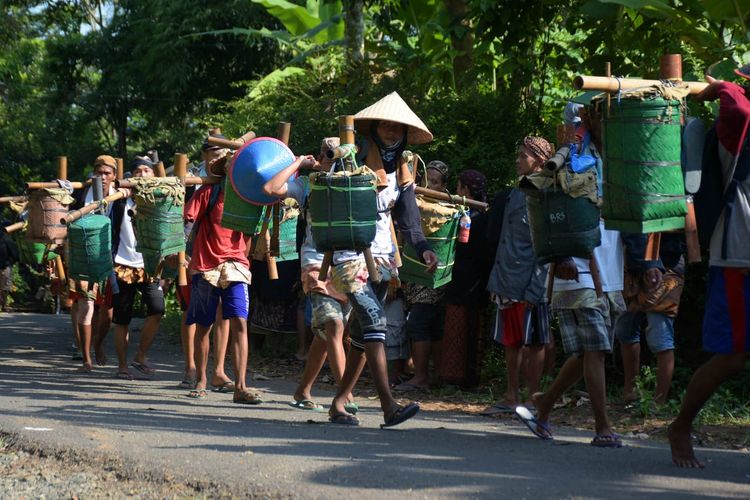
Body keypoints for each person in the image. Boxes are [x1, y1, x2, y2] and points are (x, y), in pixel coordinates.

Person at [327, 92, 438, 426]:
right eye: (386, 127)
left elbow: (409, 221)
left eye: (397, 129)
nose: (391, 133)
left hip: (383, 259)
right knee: (376, 324)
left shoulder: (403, 170)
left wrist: (423, 249)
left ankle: (339, 402)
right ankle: (389, 405)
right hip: (348, 256)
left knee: (362, 338)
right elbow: (328, 203)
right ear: (374, 128)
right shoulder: (351, 159)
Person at [515, 127, 626, 448]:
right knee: (594, 351)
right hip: (576, 270)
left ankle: (544, 406)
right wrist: (560, 254)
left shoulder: (615, 159)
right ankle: (603, 427)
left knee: (586, 352)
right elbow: (550, 209)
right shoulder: (568, 159)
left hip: (611, 268)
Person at [669, 71, 750, 468]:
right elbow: (735, 106)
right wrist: (724, 88)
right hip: (739, 258)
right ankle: (681, 425)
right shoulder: (734, 130)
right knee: (732, 358)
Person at [263, 137, 359, 412]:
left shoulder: (355, 181)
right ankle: (345, 396)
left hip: (348, 263)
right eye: (325, 153)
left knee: (328, 332)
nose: (330, 157)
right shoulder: (307, 185)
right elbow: (271, 187)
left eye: (335, 152)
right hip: (316, 262)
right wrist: (298, 163)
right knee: (334, 326)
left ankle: (302, 390)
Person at [183, 148, 256, 403]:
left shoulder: (249, 197)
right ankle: (202, 380)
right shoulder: (209, 192)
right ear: (225, 168)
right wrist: (181, 253)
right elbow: (188, 220)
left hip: (236, 265)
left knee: (240, 323)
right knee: (204, 325)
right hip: (206, 266)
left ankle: (241, 386)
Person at [484, 138, 551, 413]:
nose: (518, 160)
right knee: (510, 341)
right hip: (507, 280)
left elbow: (544, 244)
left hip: (530, 280)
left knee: (534, 342)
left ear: (540, 161)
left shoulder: (545, 194)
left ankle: (533, 398)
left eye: (524, 156)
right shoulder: (514, 193)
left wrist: (538, 285)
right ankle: (511, 395)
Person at [177, 131, 233, 391]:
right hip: (195, 256)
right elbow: (183, 220)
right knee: (196, 315)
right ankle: (193, 368)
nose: (218, 156)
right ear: (205, 155)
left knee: (225, 315)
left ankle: (219, 370)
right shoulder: (193, 180)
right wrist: (180, 254)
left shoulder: (235, 181)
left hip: (229, 256)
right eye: (213, 151)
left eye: (222, 152)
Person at [109, 156, 166, 380]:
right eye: (138, 171)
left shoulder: (160, 199)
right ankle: (122, 366)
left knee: (157, 309)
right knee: (122, 318)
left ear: (154, 175)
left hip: (149, 265)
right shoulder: (120, 200)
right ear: (130, 177)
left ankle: (140, 356)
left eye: (147, 171)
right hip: (123, 264)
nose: (142, 175)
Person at [396, 160, 451, 391]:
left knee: (422, 324)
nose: (429, 186)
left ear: (444, 186)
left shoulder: (448, 208)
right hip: (411, 277)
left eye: (435, 183)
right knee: (426, 326)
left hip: (433, 278)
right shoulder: (412, 203)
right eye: (425, 181)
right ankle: (428, 375)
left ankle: (422, 377)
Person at [615, 232, 684, 405]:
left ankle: (659, 401)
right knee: (625, 331)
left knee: (660, 337)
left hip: (668, 263)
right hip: (632, 264)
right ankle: (630, 392)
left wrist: (653, 264)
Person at [439, 169, 493, 388]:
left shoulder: (470, 216)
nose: (457, 191)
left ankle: (460, 377)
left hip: (465, 279)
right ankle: (467, 377)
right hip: (476, 280)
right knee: (469, 326)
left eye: (460, 187)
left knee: (464, 326)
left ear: (467, 190)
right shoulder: (484, 214)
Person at [69, 155, 117, 372]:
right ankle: (86, 357)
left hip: (111, 259)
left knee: (107, 312)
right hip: (84, 258)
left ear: (114, 176)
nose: (103, 177)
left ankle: (97, 344)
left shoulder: (122, 195)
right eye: (99, 173)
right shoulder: (80, 195)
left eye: (107, 173)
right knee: (85, 307)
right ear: (93, 174)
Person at [0, 229, 18, 312]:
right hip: (5, 266)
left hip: (5, 265)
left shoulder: (6, 240)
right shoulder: (7, 239)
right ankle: (3, 305)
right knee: (5, 287)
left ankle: (3, 305)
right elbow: (15, 254)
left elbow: (14, 254)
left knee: (5, 287)